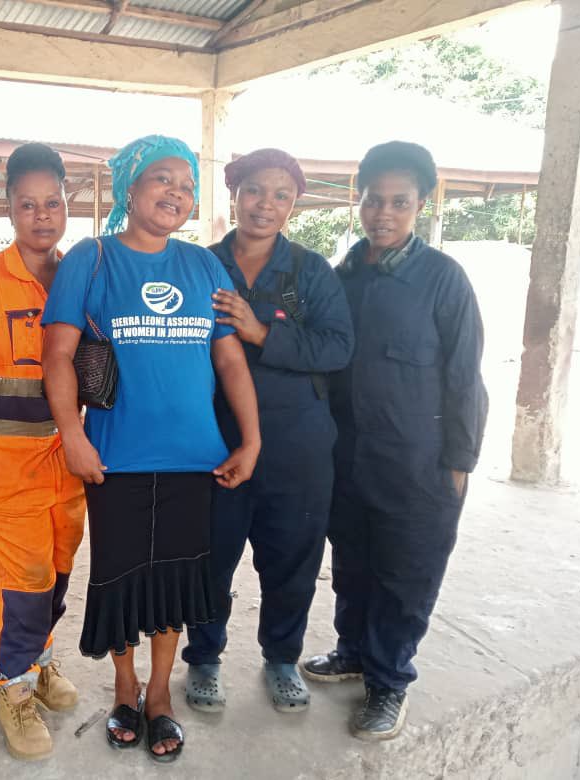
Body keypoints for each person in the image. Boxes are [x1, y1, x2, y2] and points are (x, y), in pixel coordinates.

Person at [41, 135, 261, 763]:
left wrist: (251, 438)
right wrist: (73, 435)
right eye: (162, 179)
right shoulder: (94, 258)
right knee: (121, 581)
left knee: (173, 587)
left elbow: (228, 357)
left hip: (196, 459)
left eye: (187, 186)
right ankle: (125, 688)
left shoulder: (203, 267)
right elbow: (56, 355)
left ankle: (160, 696)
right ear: (130, 188)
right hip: (116, 461)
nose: (176, 193)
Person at [302, 141, 488, 741]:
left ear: (421, 204)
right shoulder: (344, 276)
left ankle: (388, 681)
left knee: (406, 574)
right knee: (354, 564)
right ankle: (354, 650)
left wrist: (459, 461)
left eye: (399, 203)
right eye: (374, 200)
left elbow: (465, 376)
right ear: (358, 199)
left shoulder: (442, 280)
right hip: (350, 460)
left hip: (418, 464)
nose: (383, 213)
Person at [182, 149, 354, 713]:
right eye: (256, 190)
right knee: (210, 555)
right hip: (217, 440)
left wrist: (262, 333)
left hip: (298, 446)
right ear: (235, 194)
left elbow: (337, 347)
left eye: (281, 195)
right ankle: (204, 658)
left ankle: (281, 657)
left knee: (292, 559)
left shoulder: (311, 270)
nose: (266, 204)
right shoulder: (200, 265)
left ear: (293, 205)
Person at [0, 143, 86, 761]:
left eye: (53, 202)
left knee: (59, 571)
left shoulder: (82, 277)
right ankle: (10, 687)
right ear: (8, 208)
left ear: (69, 204)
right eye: (28, 204)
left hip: (72, 462)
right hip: (6, 465)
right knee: (23, 580)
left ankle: (38, 660)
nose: (42, 215)